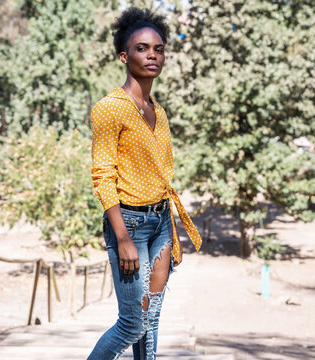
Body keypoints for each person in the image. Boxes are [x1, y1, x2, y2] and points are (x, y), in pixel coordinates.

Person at [87, 7, 202, 360]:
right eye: (141, 48)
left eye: (158, 48)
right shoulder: (109, 108)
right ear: (124, 55)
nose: (152, 54)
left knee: (151, 321)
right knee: (132, 323)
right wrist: (123, 239)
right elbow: (102, 176)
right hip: (129, 225)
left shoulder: (158, 110)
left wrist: (171, 229)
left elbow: (161, 175)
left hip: (161, 224)